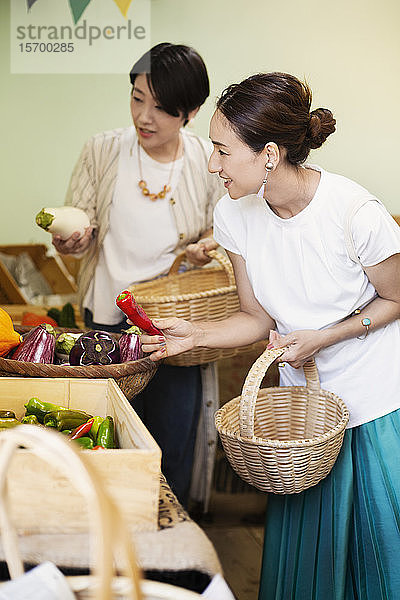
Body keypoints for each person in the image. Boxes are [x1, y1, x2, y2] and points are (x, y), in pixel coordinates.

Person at [140, 72, 400, 598]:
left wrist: (323, 337)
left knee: (377, 552)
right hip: (299, 417)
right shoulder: (233, 214)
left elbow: (396, 298)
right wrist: (196, 335)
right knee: (308, 559)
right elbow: (257, 319)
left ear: (269, 155)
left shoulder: (355, 213)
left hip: (373, 404)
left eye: (221, 151)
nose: (212, 165)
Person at [52, 43, 224, 509]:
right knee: (105, 441)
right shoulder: (103, 149)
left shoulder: (210, 161)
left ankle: (169, 539)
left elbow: (223, 232)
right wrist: (73, 240)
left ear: (190, 112)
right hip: (104, 325)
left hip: (173, 330)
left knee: (171, 446)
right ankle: (109, 539)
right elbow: (82, 221)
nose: (144, 116)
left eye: (162, 108)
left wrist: (207, 244)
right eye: (136, 97)